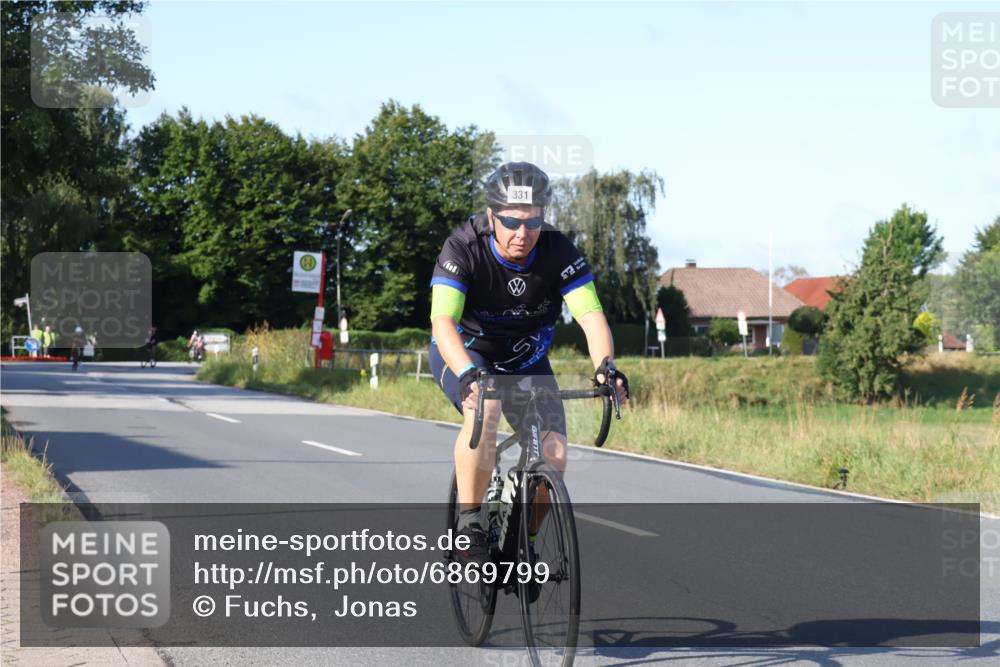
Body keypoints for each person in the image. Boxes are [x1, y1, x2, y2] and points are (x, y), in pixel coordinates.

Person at [428, 161, 629, 570]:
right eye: (511, 222)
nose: (523, 233)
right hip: (467, 353)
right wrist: (468, 373)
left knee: (553, 457)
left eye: (533, 222)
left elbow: (590, 315)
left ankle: (524, 542)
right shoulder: (463, 246)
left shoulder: (558, 250)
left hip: (527, 360)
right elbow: (442, 321)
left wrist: (606, 366)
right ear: (491, 216)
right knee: (484, 411)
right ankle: (469, 525)